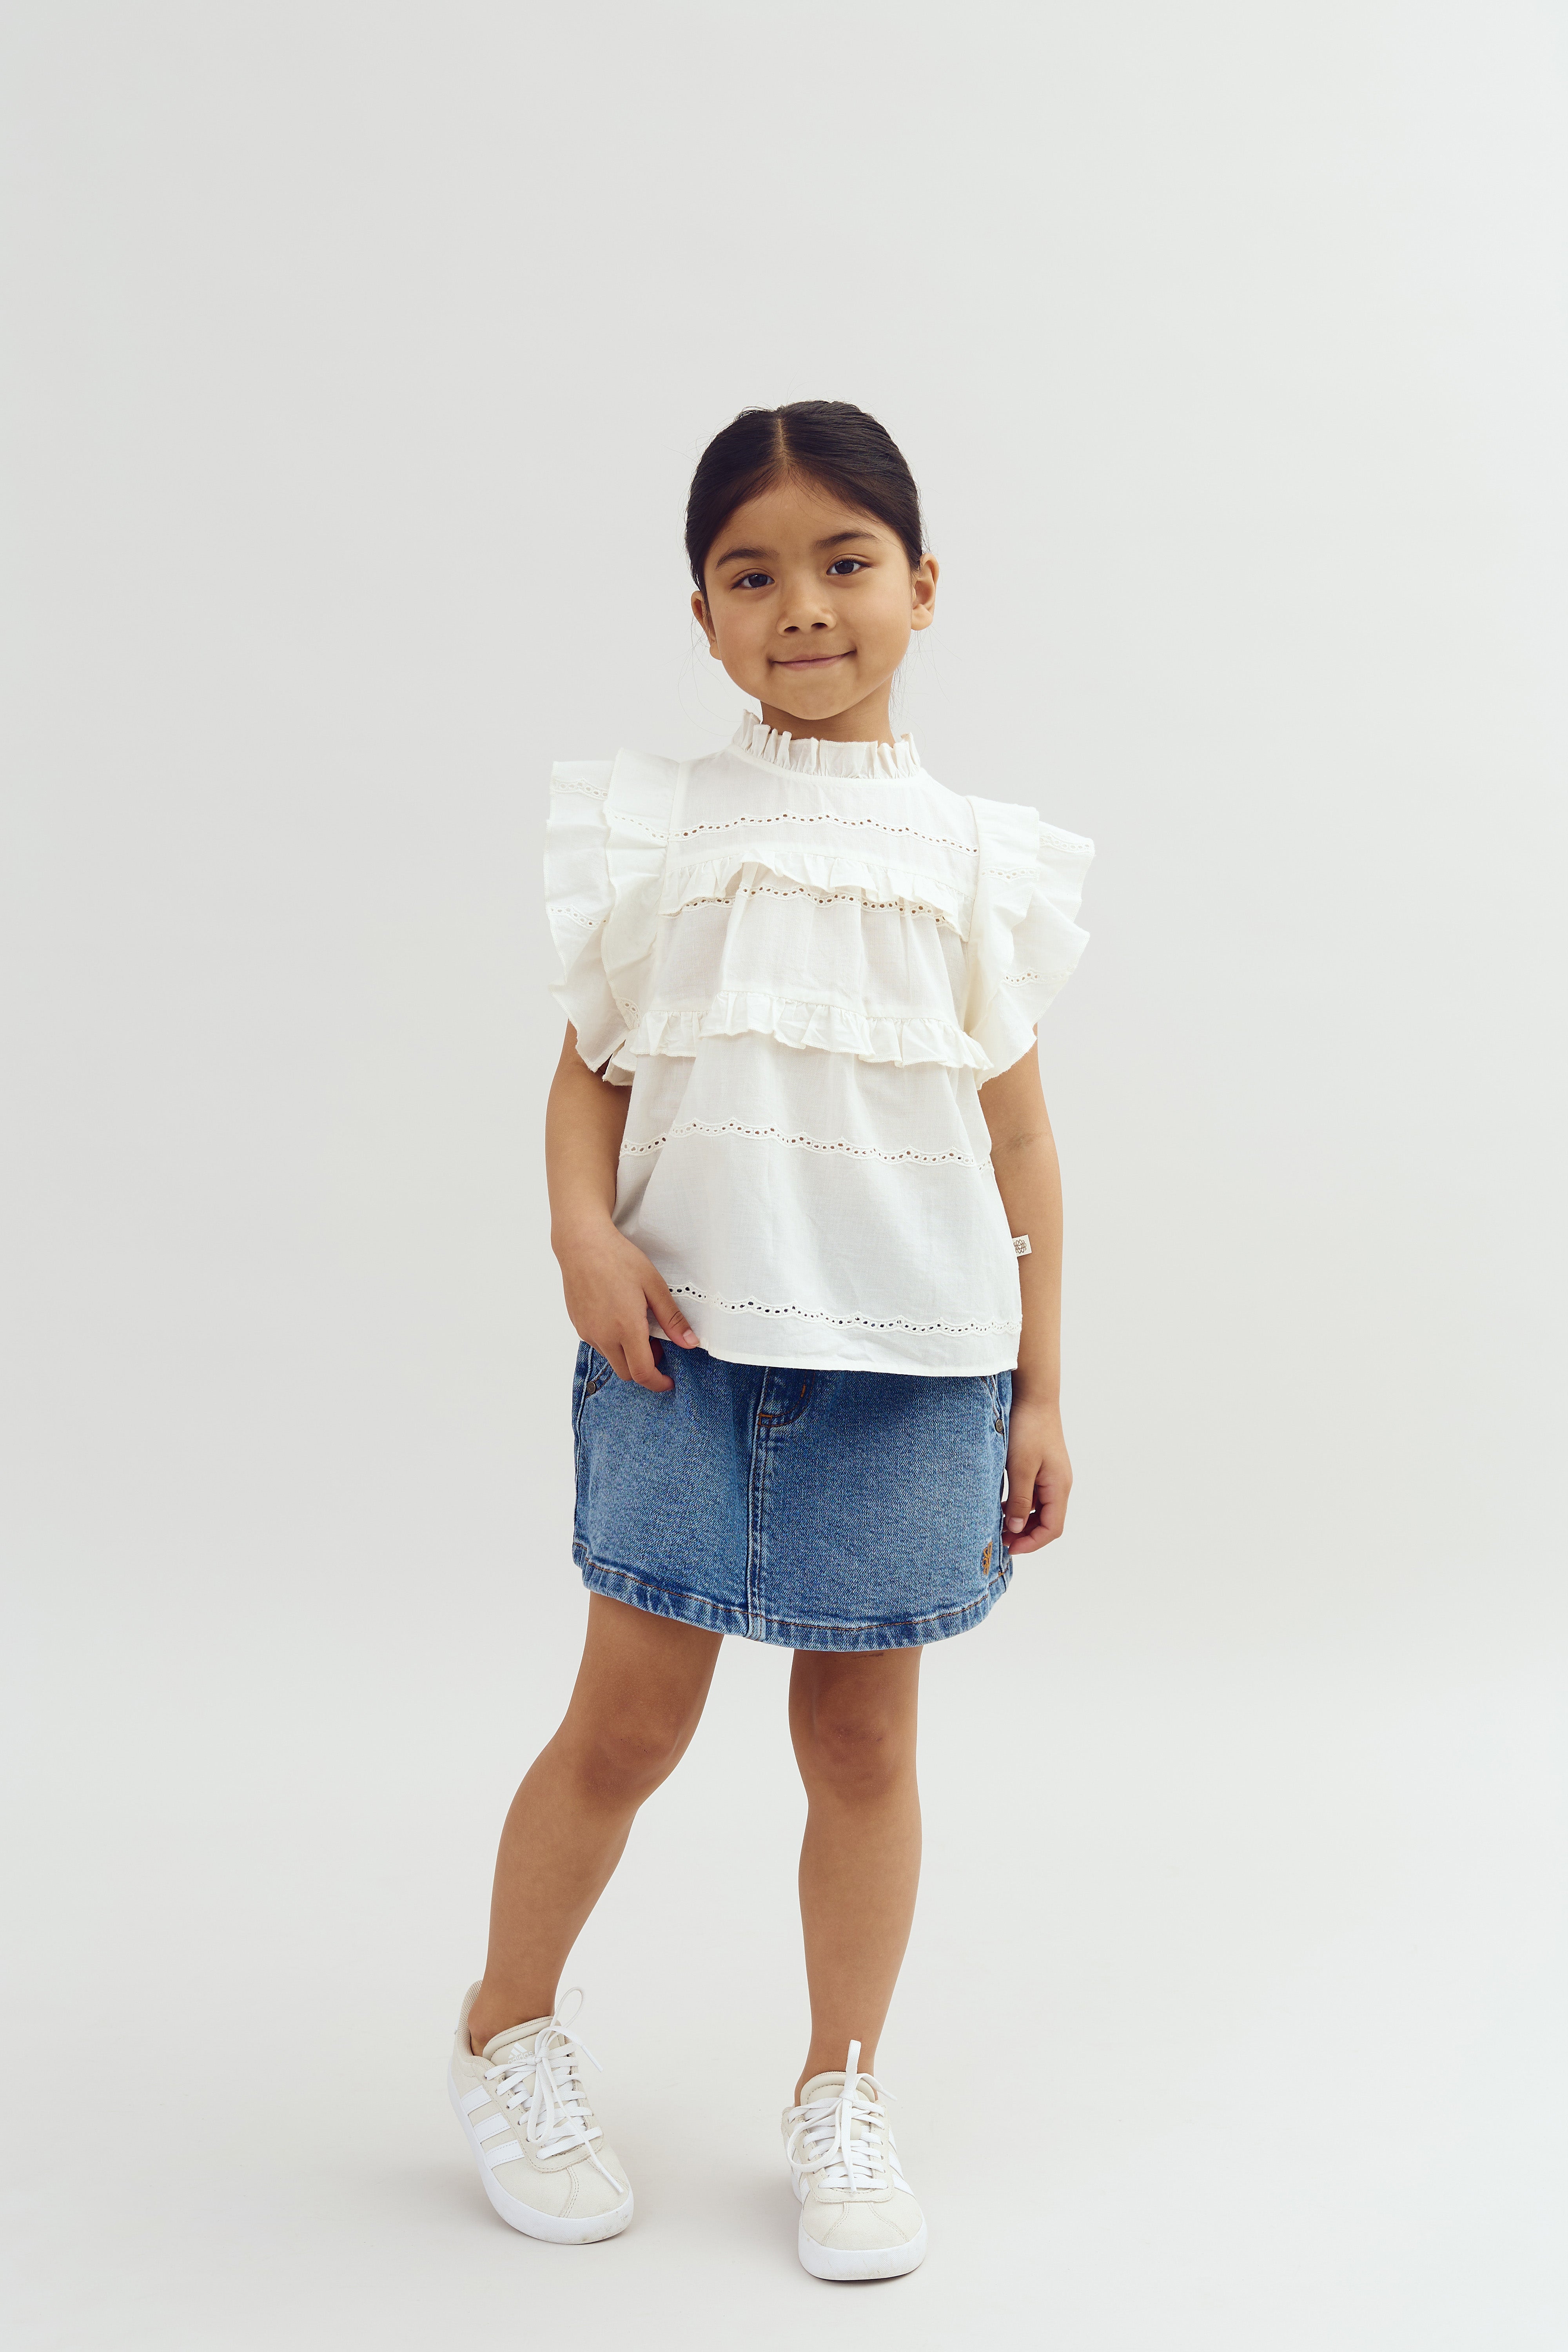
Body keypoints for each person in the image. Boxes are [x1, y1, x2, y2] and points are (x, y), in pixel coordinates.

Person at [447, 400, 1093, 2279]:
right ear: (705, 611)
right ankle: (505, 2023)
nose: (801, 606)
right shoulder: (668, 824)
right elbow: (590, 1067)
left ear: (921, 586)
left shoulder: (979, 857)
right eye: (752, 572)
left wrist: (1042, 1384)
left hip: (919, 1365)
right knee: (628, 1726)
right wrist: (582, 1236)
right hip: (687, 1349)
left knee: (866, 1745)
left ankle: (843, 2086)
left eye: (843, 562)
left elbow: (1024, 1135)